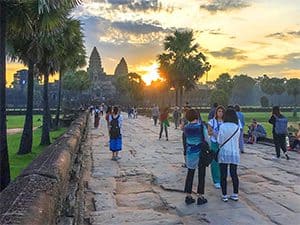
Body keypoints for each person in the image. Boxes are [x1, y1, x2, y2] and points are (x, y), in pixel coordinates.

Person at [183, 109, 209, 205]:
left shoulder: (186, 128)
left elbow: (186, 140)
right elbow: (207, 139)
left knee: (190, 174)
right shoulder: (201, 127)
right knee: (201, 175)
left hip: (190, 153)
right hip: (200, 153)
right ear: (197, 116)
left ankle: (188, 195)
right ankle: (200, 196)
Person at [217, 108, 240, 202]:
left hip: (224, 152)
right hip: (234, 153)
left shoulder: (222, 126)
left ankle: (224, 195)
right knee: (234, 174)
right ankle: (235, 194)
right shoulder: (237, 127)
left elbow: (219, 140)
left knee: (223, 175)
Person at [207, 105, 225, 189]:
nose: (220, 113)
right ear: (216, 112)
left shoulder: (225, 121)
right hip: (214, 142)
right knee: (215, 161)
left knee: (223, 161)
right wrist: (216, 134)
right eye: (219, 111)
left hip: (223, 143)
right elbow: (209, 132)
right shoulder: (212, 121)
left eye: (222, 111)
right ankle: (216, 180)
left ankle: (222, 178)